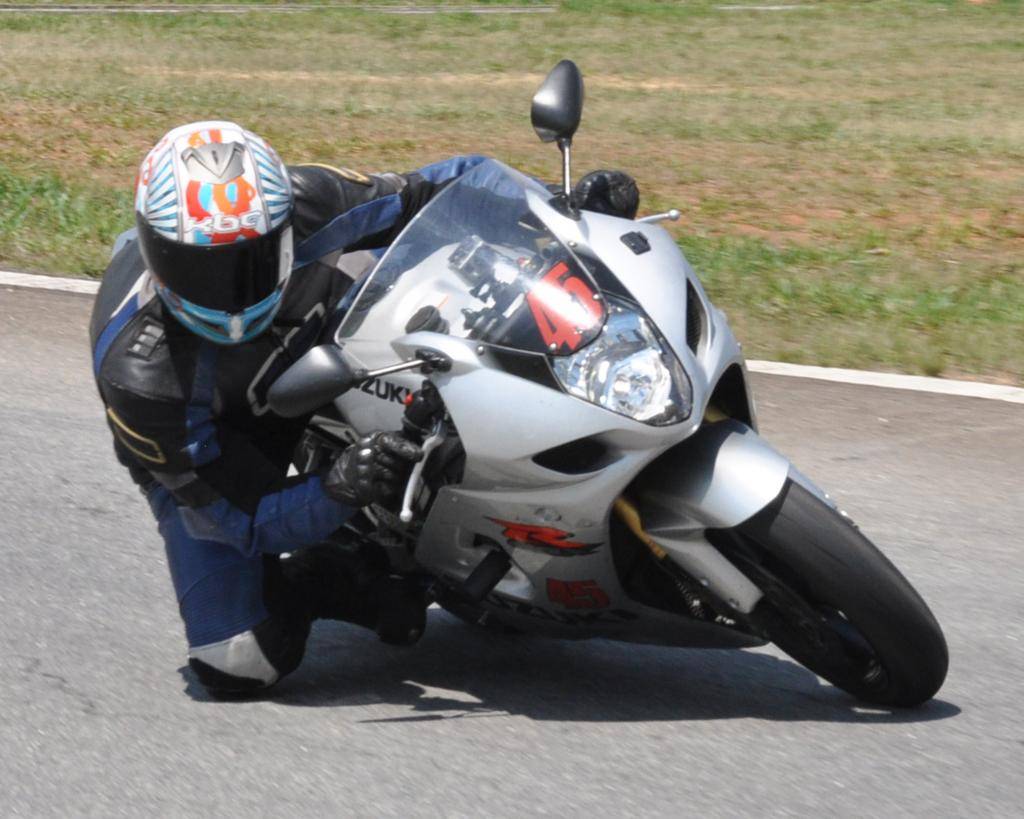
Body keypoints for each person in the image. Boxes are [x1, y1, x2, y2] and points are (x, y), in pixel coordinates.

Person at [89, 120, 639, 697]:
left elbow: (443, 188)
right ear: (154, 250)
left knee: (447, 279)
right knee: (237, 660)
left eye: (249, 261)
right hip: (221, 445)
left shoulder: (305, 201)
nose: (227, 292)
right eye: (199, 269)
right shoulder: (141, 381)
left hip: (321, 337)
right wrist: (337, 489)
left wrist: (558, 203)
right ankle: (335, 570)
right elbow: (243, 517)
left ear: (281, 229)